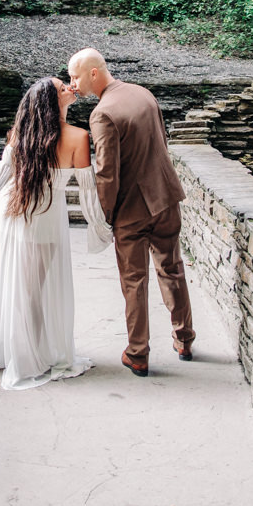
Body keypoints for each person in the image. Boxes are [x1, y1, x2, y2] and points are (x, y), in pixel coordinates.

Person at [0, 77, 113, 390]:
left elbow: (3, 170)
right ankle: (26, 358)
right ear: (51, 102)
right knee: (31, 291)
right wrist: (100, 226)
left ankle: (16, 351)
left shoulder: (25, 133)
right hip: (40, 216)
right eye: (62, 88)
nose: (70, 88)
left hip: (14, 211)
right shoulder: (77, 137)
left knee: (19, 286)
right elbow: (87, 191)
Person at [67, 48, 194, 377]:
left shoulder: (102, 113)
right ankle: (184, 339)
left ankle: (138, 354)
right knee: (173, 269)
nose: (73, 83)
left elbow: (107, 173)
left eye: (75, 76)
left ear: (94, 73)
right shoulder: (144, 93)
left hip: (132, 212)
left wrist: (105, 216)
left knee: (134, 281)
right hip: (165, 197)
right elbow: (161, 143)